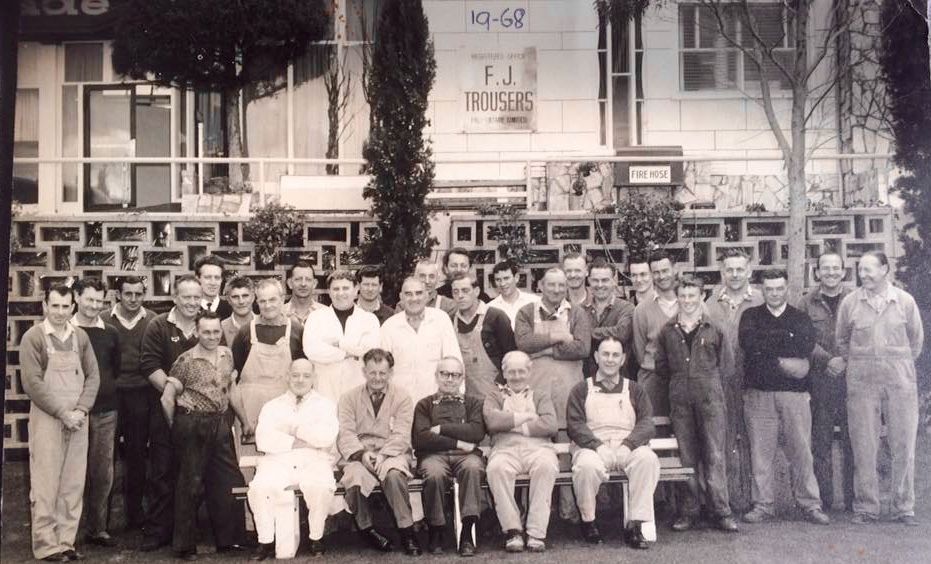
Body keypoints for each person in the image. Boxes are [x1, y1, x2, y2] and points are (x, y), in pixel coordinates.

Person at [836, 251, 924, 526]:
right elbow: (841, 340)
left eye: (869, 270)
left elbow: (916, 342)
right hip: (862, 380)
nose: (863, 275)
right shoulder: (850, 302)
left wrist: (896, 365)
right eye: (860, 270)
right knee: (864, 444)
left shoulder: (905, 302)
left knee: (903, 444)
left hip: (900, 380)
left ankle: (903, 508)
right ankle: (866, 507)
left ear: (885, 269)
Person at [738, 269, 829, 525]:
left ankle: (810, 504)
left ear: (786, 289)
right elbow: (750, 345)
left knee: (801, 451)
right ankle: (762, 505)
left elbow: (804, 346)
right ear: (762, 290)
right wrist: (784, 348)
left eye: (779, 288)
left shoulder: (799, 317)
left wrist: (769, 349)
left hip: (795, 395)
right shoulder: (751, 316)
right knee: (760, 452)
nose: (775, 293)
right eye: (769, 289)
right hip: (759, 394)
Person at [159, 310, 248, 560]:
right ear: (196, 332)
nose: (211, 336)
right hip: (192, 423)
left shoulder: (226, 354)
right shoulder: (185, 361)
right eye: (206, 332)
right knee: (191, 484)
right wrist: (177, 428)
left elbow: (230, 390)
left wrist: (245, 421)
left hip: (219, 422)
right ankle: (185, 546)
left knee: (229, 480)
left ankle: (230, 541)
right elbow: (167, 398)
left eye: (216, 331)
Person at [21, 284, 100, 562]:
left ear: (73, 307)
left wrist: (80, 409)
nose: (60, 312)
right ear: (44, 306)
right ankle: (46, 545)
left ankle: (66, 541)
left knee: (72, 482)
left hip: (78, 419)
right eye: (54, 306)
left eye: (65, 307)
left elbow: (93, 377)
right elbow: (32, 383)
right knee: (45, 482)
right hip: (48, 417)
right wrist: (62, 413)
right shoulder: (34, 337)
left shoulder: (80, 337)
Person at [654, 276, 737, 533]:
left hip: (711, 398)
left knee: (714, 454)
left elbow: (727, 366)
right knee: (686, 456)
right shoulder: (667, 331)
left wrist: (706, 384)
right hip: (680, 400)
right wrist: (682, 385)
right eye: (683, 296)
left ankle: (720, 511)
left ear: (702, 297)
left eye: (693, 296)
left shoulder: (716, 328)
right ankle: (688, 511)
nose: (688, 301)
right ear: (677, 298)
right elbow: (661, 367)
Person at [567, 338, 660, 549]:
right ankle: (589, 521)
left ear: (623, 359)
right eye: (605, 354)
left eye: (615, 355)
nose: (610, 359)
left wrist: (628, 445)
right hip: (592, 446)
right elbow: (575, 424)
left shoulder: (635, 389)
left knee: (647, 459)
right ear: (597, 357)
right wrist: (597, 446)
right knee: (586, 467)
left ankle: (635, 525)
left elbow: (646, 423)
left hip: (627, 445)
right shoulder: (582, 389)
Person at [248, 359, 339, 560]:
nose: (300, 380)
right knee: (260, 487)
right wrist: (301, 440)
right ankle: (265, 541)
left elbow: (326, 437)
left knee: (321, 486)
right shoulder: (272, 406)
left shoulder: (325, 405)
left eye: (306, 375)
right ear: (287, 376)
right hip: (277, 460)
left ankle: (316, 537)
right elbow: (263, 440)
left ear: (314, 378)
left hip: (314, 459)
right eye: (295, 375)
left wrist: (295, 429)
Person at [138, 274, 204, 552]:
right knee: (162, 471)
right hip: (165, 409)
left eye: (195, 297)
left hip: (199, 413)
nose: (191, 302)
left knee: (193, 472)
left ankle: (189, 530)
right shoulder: (158, 325)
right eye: (186, 297)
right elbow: (149, 365)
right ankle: (157, 531)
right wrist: (174, 396)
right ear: (175, 297)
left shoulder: (207, 325)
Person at [337, 349, 422, 556]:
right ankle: (367, 530)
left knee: (394, 476)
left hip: (392, 453)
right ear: (364, 371)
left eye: (382, 373)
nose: (377, 378)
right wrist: (362, 455)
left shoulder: (402, 397)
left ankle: (407, 531)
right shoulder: (348, 398)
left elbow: (402, 434)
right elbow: (346, 434)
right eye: (372, 373)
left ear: (390, 373)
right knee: (354, 478)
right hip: (360, 453)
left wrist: (383, 455)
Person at [704, 248, 763, 512]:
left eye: (740, 269)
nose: (735, 274)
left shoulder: (762, 300)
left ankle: (755, 500)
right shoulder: (709, 303)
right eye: (730, 269)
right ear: (722, 272)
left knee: (753, 439)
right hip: (721, 381)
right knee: (724, 440)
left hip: (753, 380)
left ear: (749, 271)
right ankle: (725, 502)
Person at [484, 351, 558, 553]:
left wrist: (511, 422)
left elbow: (551, 424)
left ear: (529, 371)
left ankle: (536, 532)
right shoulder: (494, 395)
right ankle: (513, 530)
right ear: (504, 372)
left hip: (538, 448)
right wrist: (528, 417)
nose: (516, 376)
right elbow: (492, 421)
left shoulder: (540, 395)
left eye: (521, 371)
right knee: (496, 469)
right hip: (505, 448)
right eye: (512, 372)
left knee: (547, 466)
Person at [797, 252, 854, 512]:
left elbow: (863, 336)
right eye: (825, 268)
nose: (830, 273)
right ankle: (825, 501)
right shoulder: (806, 303)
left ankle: (855, 500)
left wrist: (844, 359)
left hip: (852, 381)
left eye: (835, 268)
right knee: (820, 444)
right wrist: (828, 360)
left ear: (843, 272)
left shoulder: (855, 299)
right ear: (817, 272)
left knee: (853, 442)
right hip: (819, 382)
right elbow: (801, 338)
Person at [411, 357, 485, 556]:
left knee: (473, 468)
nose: (450, 379)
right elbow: (421, 438)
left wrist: (441, 429)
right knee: (433, 474)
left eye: (455, 375)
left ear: (462, 378)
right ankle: (436, 530)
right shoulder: (424, 405)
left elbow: (476, 432)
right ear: (436, 376)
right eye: (445, 374)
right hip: (434, 456)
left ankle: (467, 533)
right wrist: (458, 441)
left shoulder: (473, 403)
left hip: (466, 457)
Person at [70, 278, 122, 547]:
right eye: (89, 299)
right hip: (71, 413)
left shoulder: (111, 333)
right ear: (76, 297)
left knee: (102, 471)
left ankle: (97, 528)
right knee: (70, 471)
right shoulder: (66, 330)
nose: (94, 306)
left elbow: (114, 368)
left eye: (99, 301)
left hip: (105, 411)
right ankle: (66, 530)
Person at [514, 267, 592, 428]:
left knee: (567, 432)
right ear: (541, 285)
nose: (556, 290)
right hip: (536, 389)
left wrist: (545, 351)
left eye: (561, 285)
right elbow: (524, 343)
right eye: (551, 285)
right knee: (537, 433)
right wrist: (559, 337)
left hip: (569, 389)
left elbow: (582, 348)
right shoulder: (526, 312)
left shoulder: (578, 313)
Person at [110, 276, 155, 532]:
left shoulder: (151, 320)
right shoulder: (104, 319)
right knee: (106, 457)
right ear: (118, 294)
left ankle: (135, 515)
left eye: (138, 294)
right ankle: (100, 520)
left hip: (140, 394)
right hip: (112, 395)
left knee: (137, 455)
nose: (134, 299)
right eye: (128, 294)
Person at [381, 277, 462, 402]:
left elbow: (455, 362)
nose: (414, 298)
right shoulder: (389, 326)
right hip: (400, 404)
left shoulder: (441, 320)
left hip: (436, 402)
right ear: (401, 297)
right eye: (408, 294)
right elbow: (382, 369)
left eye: (419, 293)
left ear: (426, 296)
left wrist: (457, 397)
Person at [303, 270, 381, 403]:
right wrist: (349, 353)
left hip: (358, 391)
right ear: (329, 291)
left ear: (356, 289)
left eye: (345, 288)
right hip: (324, 391)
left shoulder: (369, 319)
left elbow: (370, 351)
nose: (340, 293)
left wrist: (340, 344)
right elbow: (312, 350)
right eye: (336, 289)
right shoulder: (316, 318)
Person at [450, 271, 516, 401]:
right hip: (463, 394)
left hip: (494, 393)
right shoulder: (450, 320)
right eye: (456, 292)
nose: (460, 296)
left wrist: (502, 386)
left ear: (476, 291)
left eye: (465, 290)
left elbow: (511, 356)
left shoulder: (496, 316)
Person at [632, 250, 679, 417]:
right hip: (653, 381)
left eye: (665, 270)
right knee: (654, 434)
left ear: (675, 269)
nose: (661, 276)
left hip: (683, 381)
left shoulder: (690, 303)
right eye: (656, 272)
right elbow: (639, 351)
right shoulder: (642, 310)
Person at [581, 258, 635, 376]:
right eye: (595, 280)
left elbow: (621, 333)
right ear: (589, 280)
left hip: (619, 381)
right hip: (587, 381)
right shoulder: (580, 310)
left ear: (614, 280)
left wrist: (587, 333)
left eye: (605, 280)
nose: (600, 285)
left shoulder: (626, 308)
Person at [487, 260, 540, 329]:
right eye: (498, 280)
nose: (502, 283)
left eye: (506, 278)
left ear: (516, 278)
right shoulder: (490, 308)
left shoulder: (534, 302)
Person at [283, 261, 324, 326]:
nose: (303, 284)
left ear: (314, 283)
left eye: (308, 279)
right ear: (290, 283)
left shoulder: (326, 313)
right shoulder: (280, 313)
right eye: (298, 279)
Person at [222, 275, 255, 346]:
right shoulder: (221, 328)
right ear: (228, 300)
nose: (241, 301)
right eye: (235, 297)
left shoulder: (264, 324)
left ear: (253, 297)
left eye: (245, 296)